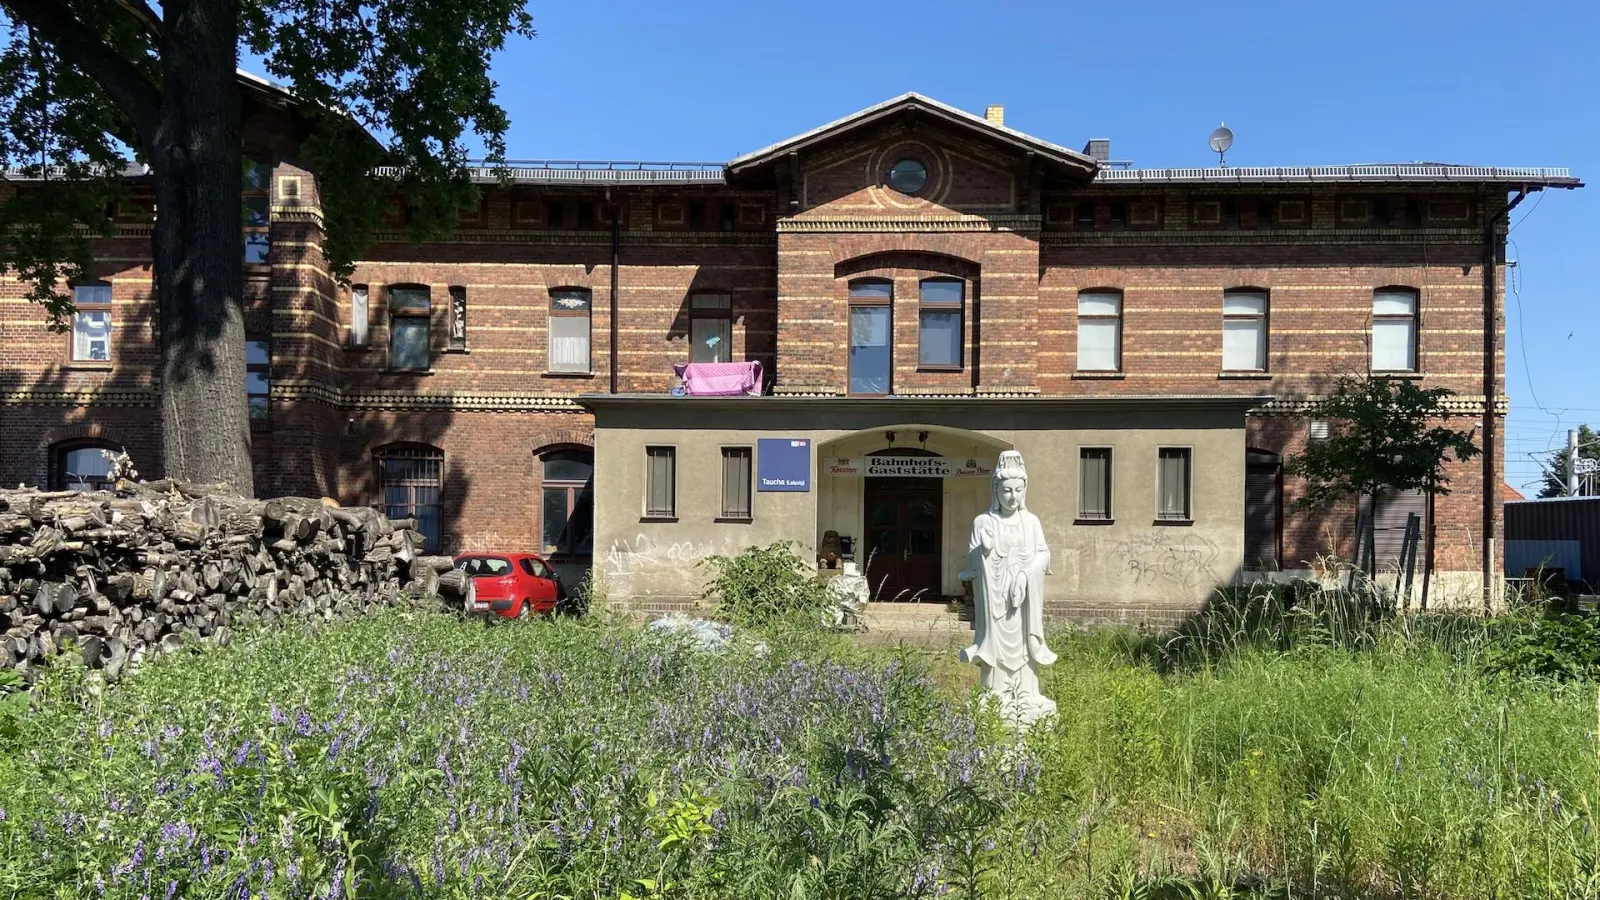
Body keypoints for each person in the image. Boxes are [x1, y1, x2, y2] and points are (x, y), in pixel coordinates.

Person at [958, 450, 1057, 723]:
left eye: (1017, 490)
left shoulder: (1031, 522)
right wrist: (984, 551)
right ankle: (994, 693)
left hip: (1024, 604)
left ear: (1024, 490)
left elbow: (1043, 555)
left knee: (1026, 645)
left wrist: (1026, 575)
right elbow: (970, 563)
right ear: (995, 490)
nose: (1012, 497)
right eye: (1006, 490)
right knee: (995, 648)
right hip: (996, 601)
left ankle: (1028, 693)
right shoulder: (984, 523)